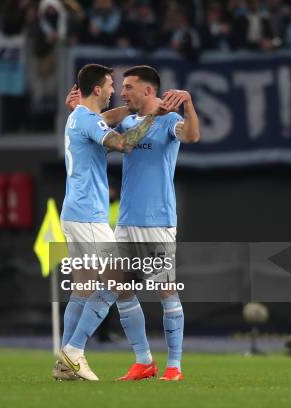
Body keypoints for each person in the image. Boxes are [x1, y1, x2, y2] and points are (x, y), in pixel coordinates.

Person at [53, 63, 169, 381]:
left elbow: (105, 120)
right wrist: (150, 117)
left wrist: (129, 109)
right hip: (89, 216)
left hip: (76, 213)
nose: (113, 90)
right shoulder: (87, 118)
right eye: (109, 85)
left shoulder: (79, 116)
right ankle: (74, 352)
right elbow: (123, 144)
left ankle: (67, 362)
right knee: (118, 284)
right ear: (96, 90)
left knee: (84, 289)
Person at [112, 66, 199, 382]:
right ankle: (143, 361)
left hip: (158, 221)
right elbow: (108, 132)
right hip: (126, 220)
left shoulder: (170, 122)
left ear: (148, 90)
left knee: (165, 291)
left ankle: (174, 367)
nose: (123, 92)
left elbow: (192, 135)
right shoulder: (128, 121)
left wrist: (187, 105)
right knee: (120, 289)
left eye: (129, 87)